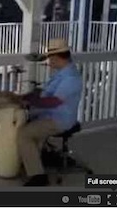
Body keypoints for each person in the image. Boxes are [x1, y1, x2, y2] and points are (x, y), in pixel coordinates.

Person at [16, 39, 83, 186]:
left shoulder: (71, 78)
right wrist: (27, 96)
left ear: (57, 57)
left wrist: (30, 102)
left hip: (59, 121)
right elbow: (46, 92)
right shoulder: (62, 73)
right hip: (49, 115)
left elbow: (53, 101)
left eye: (50, 57)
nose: (48, 61)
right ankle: (34, 161)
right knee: (31, 127)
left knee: (23, 134)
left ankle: (38, 177)